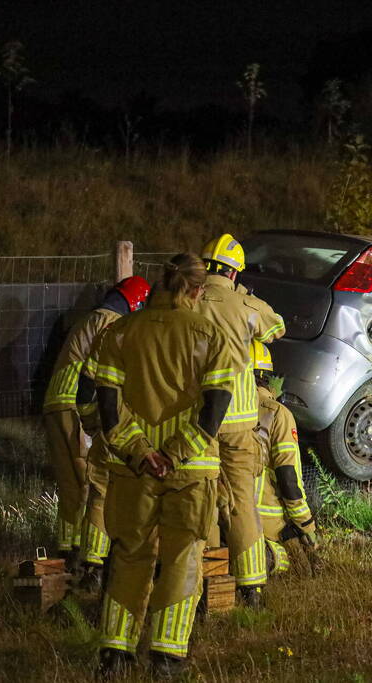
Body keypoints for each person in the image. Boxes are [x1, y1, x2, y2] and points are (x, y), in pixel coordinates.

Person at [93, 253, 237, 678]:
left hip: (132, 471)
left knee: (129, 556)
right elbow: (214, 408)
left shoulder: (121, 332)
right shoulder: (211, 336)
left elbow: (108, 407)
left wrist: (140, 452)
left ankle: (115, 652)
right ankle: (166, 655)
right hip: (189, 473)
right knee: (181, 558)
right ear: (197, 290)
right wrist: (174, 454)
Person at [194, 233, 285, 607]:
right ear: (234, 273)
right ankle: (251, 588)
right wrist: (244, 301)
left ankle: (207, 579)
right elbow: (276, 328)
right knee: (243, 502)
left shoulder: (189, 299)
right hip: (240, 420)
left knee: (202, 497)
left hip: (199, 420)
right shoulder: (244, 304)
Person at [42, 276, 150, 566]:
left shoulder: (90, 318)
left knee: (70, 485)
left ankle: (67, 550)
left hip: (55, 402)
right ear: (137, 304)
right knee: (90, 482)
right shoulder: (112, 323)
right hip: (77, 408)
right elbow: (100, 374)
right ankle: (88, 559)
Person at [73, 278, 153, 590]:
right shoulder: (160, 337)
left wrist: (91, 422)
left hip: (110, 426)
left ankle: (93, 567)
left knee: (100, 493)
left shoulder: (111, 334)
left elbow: (86, 387)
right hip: (143, 434)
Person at [250, 340, 316, 574]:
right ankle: (264, 556)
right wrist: (306, 525)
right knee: (293, 564)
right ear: (266, 377)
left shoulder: (221, 409)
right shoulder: (278, 413)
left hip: (220, 515)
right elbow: (288, 477)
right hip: (265, 523)